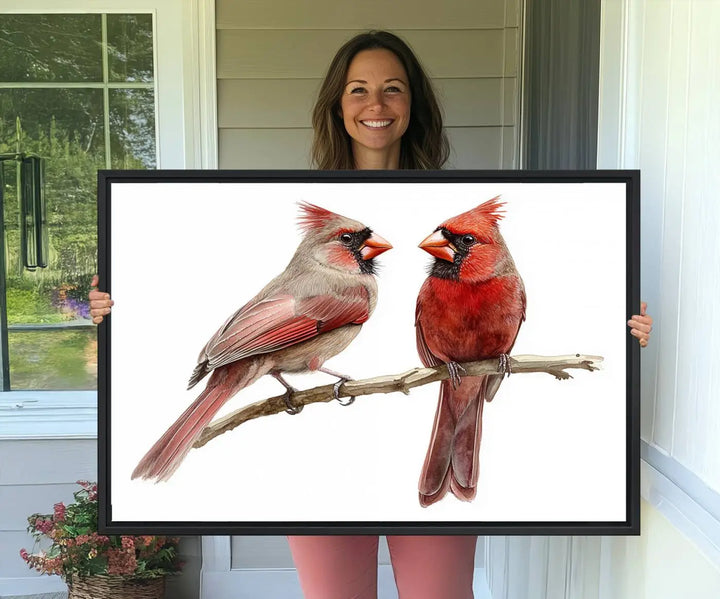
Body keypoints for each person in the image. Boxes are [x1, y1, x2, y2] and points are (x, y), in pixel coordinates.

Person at [89, 30, 653, 599]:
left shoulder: (453, 206)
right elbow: (289, 321)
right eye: (358, 90)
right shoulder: (292, 211)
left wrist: (621, 327)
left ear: (413, 106)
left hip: (396, 435)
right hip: (323, 470)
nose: (376, 105)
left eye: (393, 89)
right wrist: (121, 309)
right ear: (338, 105)